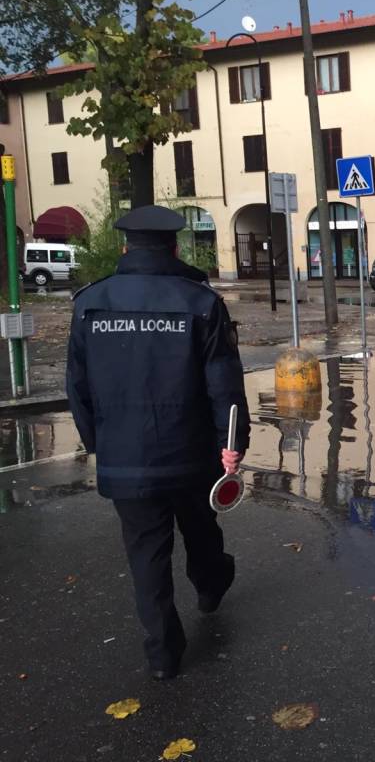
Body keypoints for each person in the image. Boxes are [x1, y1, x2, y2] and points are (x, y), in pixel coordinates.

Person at [66, 205, 251, 680]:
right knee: (201, 530)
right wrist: (232, 444)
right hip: (191, 454)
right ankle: (210, 586)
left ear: (125, 246)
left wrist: (100, 445)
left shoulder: (89, 303)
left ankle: (163, 655)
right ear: (173, 247)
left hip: (124, 458)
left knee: (145, 555)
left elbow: (78, 388)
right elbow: (224, 386)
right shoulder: (200, 302)